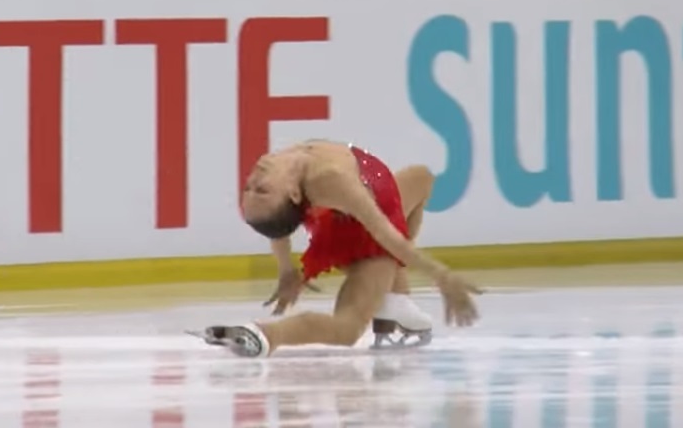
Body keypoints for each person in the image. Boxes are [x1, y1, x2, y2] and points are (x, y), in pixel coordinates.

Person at [192, 140, 482, 358]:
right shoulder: (329, 179)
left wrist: (288, 271)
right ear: (294, 194)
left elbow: (277, 224)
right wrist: (441, 274)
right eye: (262, 189)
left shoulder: (279, 168)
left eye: (250, 188)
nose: (254, 180)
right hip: (372, 235)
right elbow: (384, 233)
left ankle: (395, 299)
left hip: (354, 217)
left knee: (422, 177)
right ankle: (266, 334)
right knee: (348, 329)